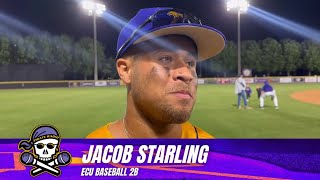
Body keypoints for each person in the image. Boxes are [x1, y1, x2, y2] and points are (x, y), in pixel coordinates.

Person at [86, 7, 225, 138]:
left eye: (190, 63)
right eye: (166, 59)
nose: (187, 74)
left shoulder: (217, 157)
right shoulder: (83, 159)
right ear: (126, 70)